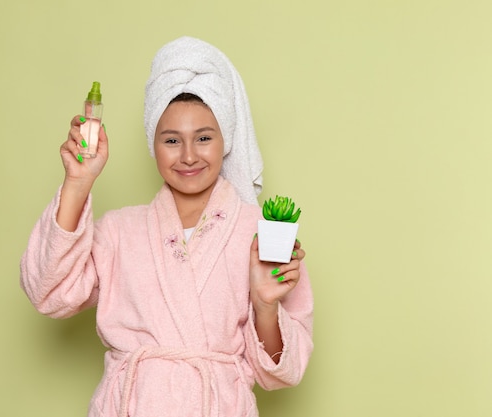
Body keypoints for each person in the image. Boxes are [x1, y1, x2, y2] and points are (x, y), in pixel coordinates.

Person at [20, 36, 313, 417]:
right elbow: (49, 293)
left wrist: (264, 305)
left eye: (204, 138)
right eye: (171, 140)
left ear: (225, 140)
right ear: (152, 144)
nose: (188, 156)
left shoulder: (261, 232)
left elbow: (283, 372)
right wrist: (78, 183)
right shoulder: (119, 231)